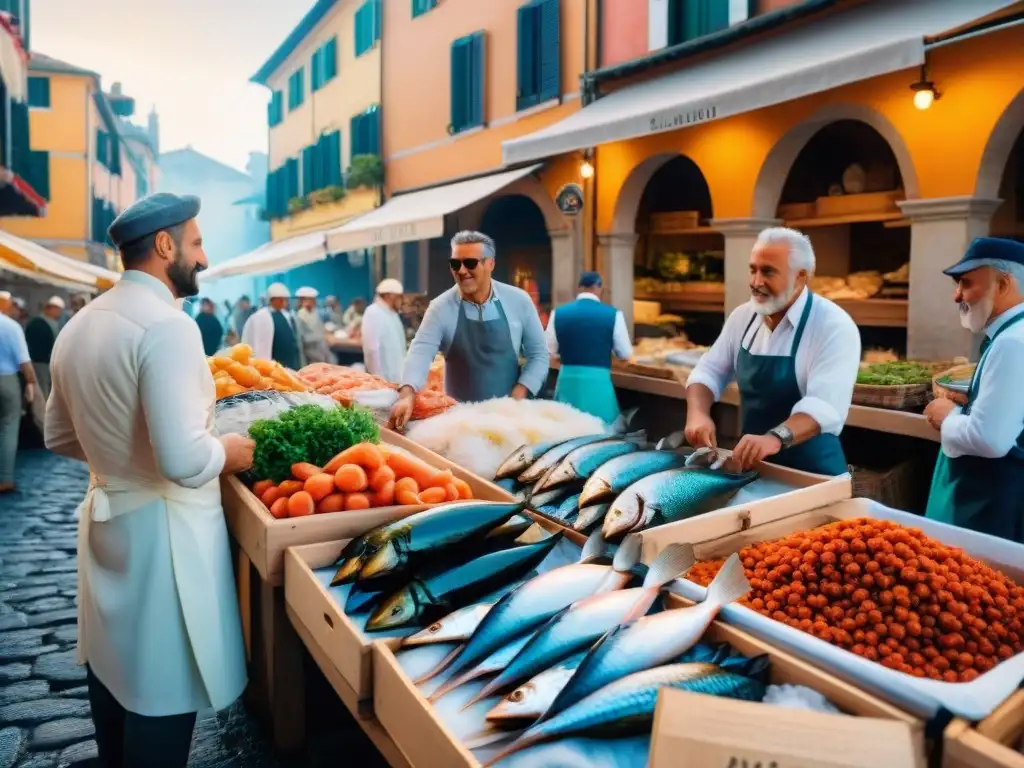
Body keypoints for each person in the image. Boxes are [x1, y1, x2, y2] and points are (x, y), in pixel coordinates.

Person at [43, 192, 252, 767]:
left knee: (113, 667)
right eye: (198, 242)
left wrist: (116, 460)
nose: (204, 258)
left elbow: (58, 437)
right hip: (166, 534)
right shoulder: (169, 326)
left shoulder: (81, 323)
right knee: (164, 687)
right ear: (165, 246)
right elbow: (183, 460)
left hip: (108, 518)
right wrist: (232, 449)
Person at [684, 227, 860, 475]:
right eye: (753, 269)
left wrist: (773, 438)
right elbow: (709, 371)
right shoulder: (743, 317)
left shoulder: (833, 325)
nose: (756, 282)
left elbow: (824, 405)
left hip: (813, 474)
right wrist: (698, 414)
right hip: (755, 468)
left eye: (768, 272)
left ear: (800, 277)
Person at [389, 230, 549, 430]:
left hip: (509, 420)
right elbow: (420, 351)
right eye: (455, 264)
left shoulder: (519, 301)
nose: (462, 270)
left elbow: (539, 355)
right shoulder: (440, 307)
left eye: (470, 263)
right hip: (459, 424)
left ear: (490, 264)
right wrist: (407, 394)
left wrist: (520, 393)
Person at [923, 237, 1024, 544]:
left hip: (991, 508)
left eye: (966, 283)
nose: (957, 296)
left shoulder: (1012, 343)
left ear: (1004, 285)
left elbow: (990, 440)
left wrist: (947, 414)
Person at [545, 271, 633, 423]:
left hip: (568, 380)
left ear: (580, 288)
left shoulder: (558, 313)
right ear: (599, 288)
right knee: (599, 432)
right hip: (598, 381)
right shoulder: (613, 314)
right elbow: (625, 354)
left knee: (565, 430)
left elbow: (548, 351)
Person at [0, 289, 36, 494]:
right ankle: (4, 479)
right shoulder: (12, 327)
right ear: (5, 305)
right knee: (8, 428)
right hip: (6, 381)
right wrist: (31, 384)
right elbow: (25, 362)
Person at [241, 282, 302, 369]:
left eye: (285, 299)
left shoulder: (287, 315)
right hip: (274, 365)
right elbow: (257, 344)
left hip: (291, 364)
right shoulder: (260, 317)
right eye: (281, 299)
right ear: (272, 300)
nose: (284, 302)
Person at [361, 278, 407, 383]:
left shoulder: (392, 313)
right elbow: (371, 349)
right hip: (383, 380)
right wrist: (377, 380)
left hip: (397, 378)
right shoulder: (373, 312)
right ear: (387, 296)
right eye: (399, 297)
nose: (401, 300)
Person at [24, 295, 64, 399]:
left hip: (48, 363)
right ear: (52, 308)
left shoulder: (52, 323)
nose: (60, 314)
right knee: (42, 391)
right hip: (40, 363)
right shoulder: (38, 324)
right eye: (59, 310)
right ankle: (42, 413)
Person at [295, 286, 332, 364]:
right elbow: (304, 339)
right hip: (310, 354)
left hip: (321, 350)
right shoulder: (300, 316)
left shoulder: (314, 312)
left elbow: (320, 328)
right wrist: (320, 336)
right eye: (312, 299)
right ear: (303, 300)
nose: (315, 301)